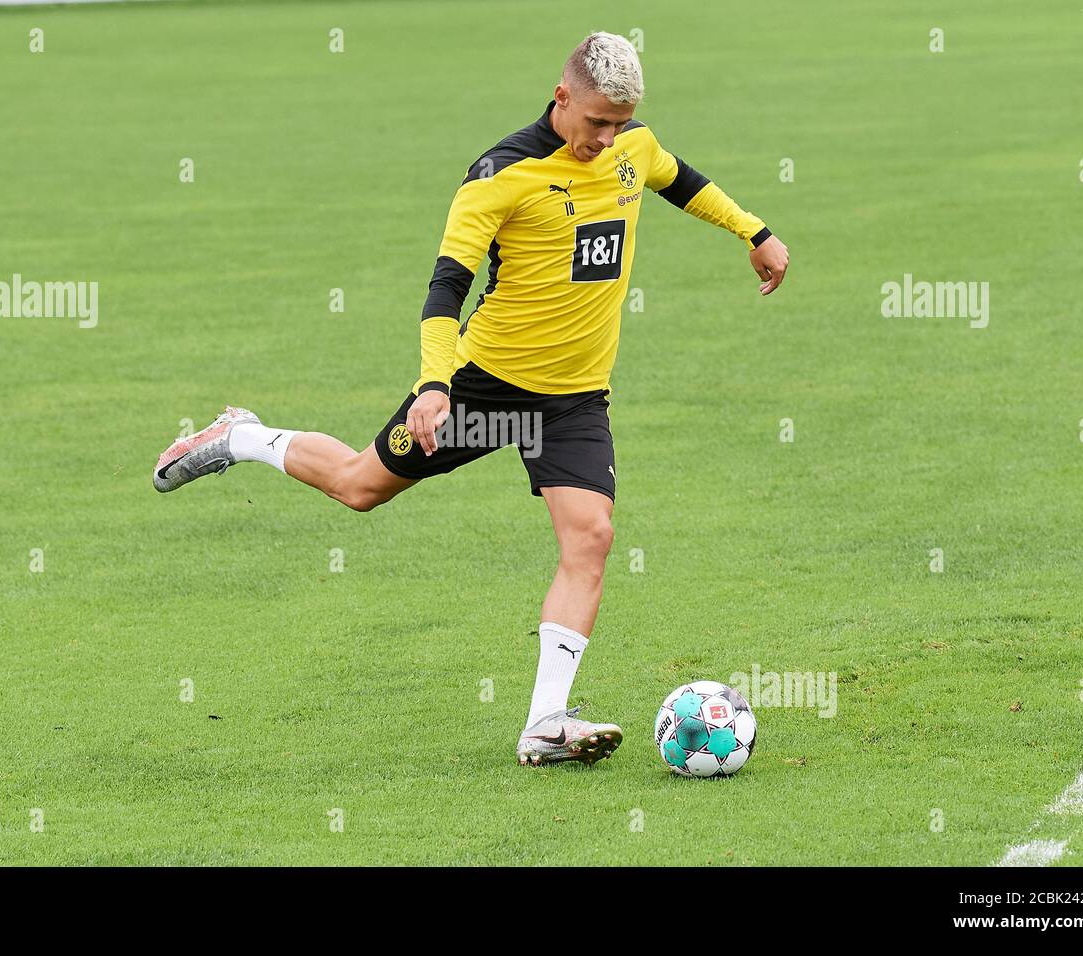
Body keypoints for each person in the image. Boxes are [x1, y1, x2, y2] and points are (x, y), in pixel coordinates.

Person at [152, 31, 789, 768]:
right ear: (561, 97)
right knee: (360, 488)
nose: (608, 139)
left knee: (592, 536)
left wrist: (754, 231)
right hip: (486, 388)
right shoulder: (499, 175)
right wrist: (433, 384)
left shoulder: (630, 149)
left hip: (575, 398)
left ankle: (545, 721)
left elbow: (680, 179)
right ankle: (241, 436)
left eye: (620, 124)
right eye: (596, 123)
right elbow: (445, 287)